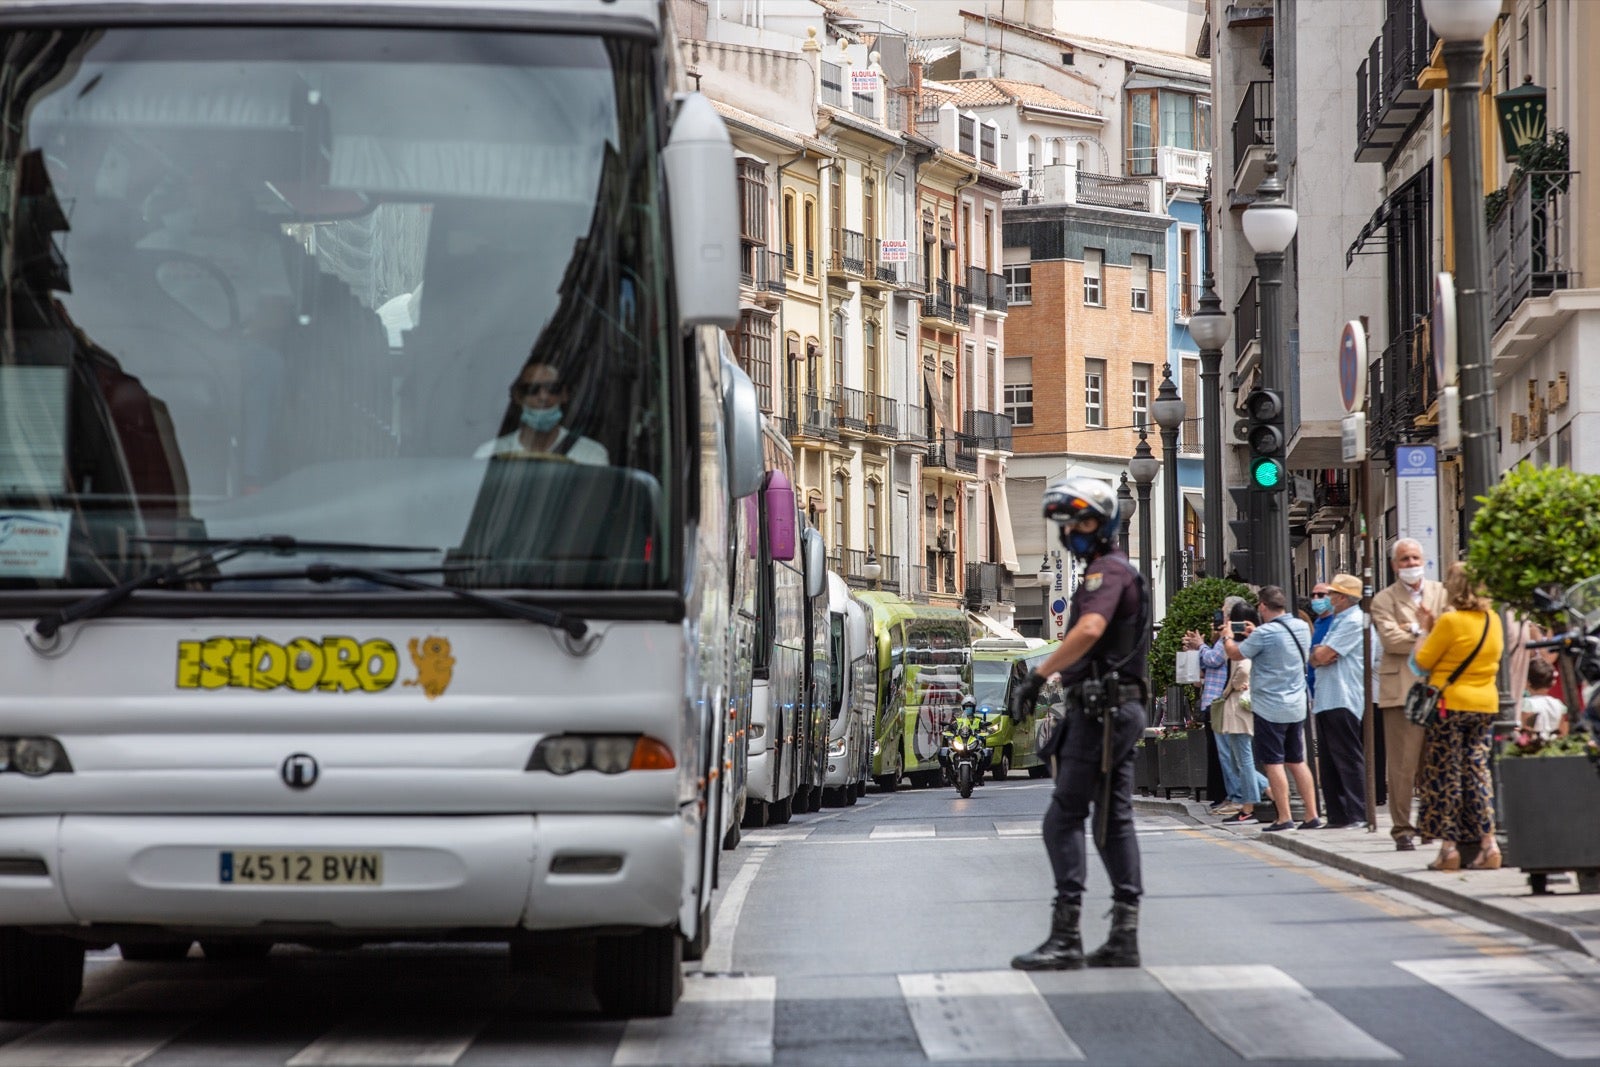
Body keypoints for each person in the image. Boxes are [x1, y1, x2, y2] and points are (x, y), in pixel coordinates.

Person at [1009, 477, 1150, 971]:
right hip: (1117, 708)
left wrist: (1038, 676)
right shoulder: (1115, 570)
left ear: (1104, 524)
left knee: (1064, 817)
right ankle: (1124, 935)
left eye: (1083, 523)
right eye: (1068, 525)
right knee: (1113, 820)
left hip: (1101, 712)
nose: (1072, 533)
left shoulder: (1104, 573)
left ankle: (1066, 936)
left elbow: (1090, 628)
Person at [1412, 561, 1506, 871]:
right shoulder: (1493, 620)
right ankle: (1489, 844)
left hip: (1449, 704)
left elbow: (1423, 661)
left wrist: (1424, 629)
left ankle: (1449, 849)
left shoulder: (1450, 621)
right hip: (1484, 704)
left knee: (1446, 773)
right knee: (1477, 771)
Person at [1369, 539, 1448, 851]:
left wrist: (1413, 630)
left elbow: (1451, 633)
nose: (1411, 563)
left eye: (1415, 557)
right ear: (1394, 565)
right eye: (1404, 559)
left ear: (1423, 560)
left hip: (1438, 688)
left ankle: (1431, 823)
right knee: (1403, 765)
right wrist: (1426, 630)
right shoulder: (1383, 599)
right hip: (1401, 690)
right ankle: (1402, 829)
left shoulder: (1441, 593)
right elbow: (1391, 641)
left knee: (1436, 760)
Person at [1225, 586, 1322, 832]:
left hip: (1269, 707)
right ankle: (1312, 815)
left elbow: (1235, 653)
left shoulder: (1265, 633)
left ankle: (1284, 816)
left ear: (1262, 606)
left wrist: (1227, 635)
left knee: (1273, 763)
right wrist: (1255, 633)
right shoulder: (1300, 627)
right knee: (1297, 761)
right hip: (1297, 705)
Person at [1309, 574, 1369, 829]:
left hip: (1343, 696)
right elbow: (1316, 656)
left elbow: (1323, 654)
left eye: (1331, 594)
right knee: (1329, 761)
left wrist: (1318, 655)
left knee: (1347, 757)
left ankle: (1357, 813)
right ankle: (1337, 815)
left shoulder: (1353, 621)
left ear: (1342, 597)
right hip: (1327, 697)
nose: (1328, 598)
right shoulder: (1338, 620)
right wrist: (1318, 656)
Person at [475, 361, 610, 465]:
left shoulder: (591, 455)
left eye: (552, 388)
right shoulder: (490, 454)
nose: (543, 397)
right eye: (532, 389)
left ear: (564, 395)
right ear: (518, 397)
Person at [1214, 598, 1268, 824]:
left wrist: (1233, 687)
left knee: (1242, 759)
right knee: (1240, 759)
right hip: (1244, 703)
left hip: (1239, 704)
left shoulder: (1244, 643)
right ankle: (1271, 792)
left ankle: (1249, 805)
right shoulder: (1252, 640)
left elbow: (1244, 668)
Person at [1181, 613, 1232, 814]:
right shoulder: (1217, 644)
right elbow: (1200, 673)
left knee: (1224, 754)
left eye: (1215, 623)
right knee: (1217, 752)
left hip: (1219, 702)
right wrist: (1192, 651)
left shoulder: (1225, 642)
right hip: (1212, 702)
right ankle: (1222, 795)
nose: (1212, 626)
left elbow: (1214, 659)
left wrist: (1200, 646)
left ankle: (1232, 795)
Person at [1520, 655, 1567, 739]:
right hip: (1552, 744)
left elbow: (1527, 731)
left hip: (1535, 744)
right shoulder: (1558, 704)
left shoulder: (1528, 704)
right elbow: (1562, 732)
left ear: (1528, 682)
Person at [1306, 582, 1336, 697]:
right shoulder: (1318, 622)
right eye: (1312, 595)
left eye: (1320, 595)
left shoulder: (1335, 622)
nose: (1315, 598)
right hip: (1314, 686)